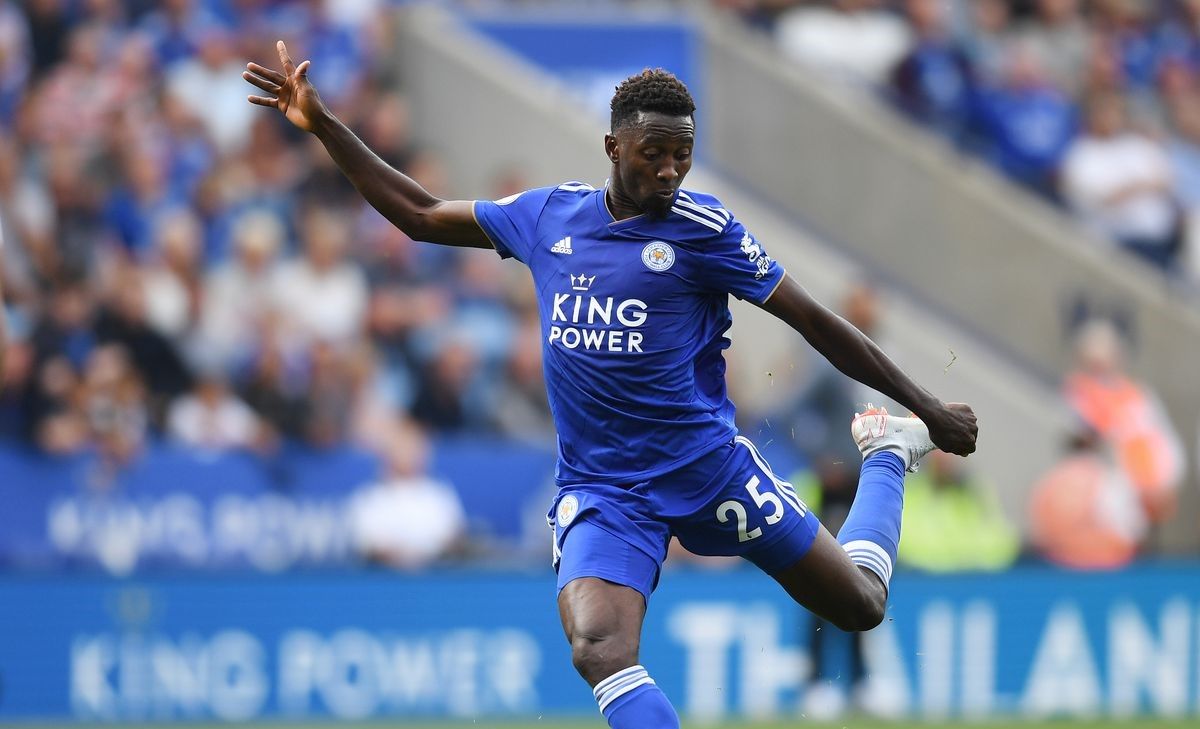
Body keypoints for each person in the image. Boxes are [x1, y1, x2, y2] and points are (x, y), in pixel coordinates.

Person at [244, 44, 978, 729]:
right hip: (604, 488)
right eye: (653, 154)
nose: (669, 171)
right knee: (598, 646)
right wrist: (324, 124)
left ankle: (888, 454)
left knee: (860, 605)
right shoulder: (547, 216)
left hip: (707, 469)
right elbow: (420, 214)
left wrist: (924, 406)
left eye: (682, 155)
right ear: (613, 147)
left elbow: (813, 319)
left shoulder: (705, 231)